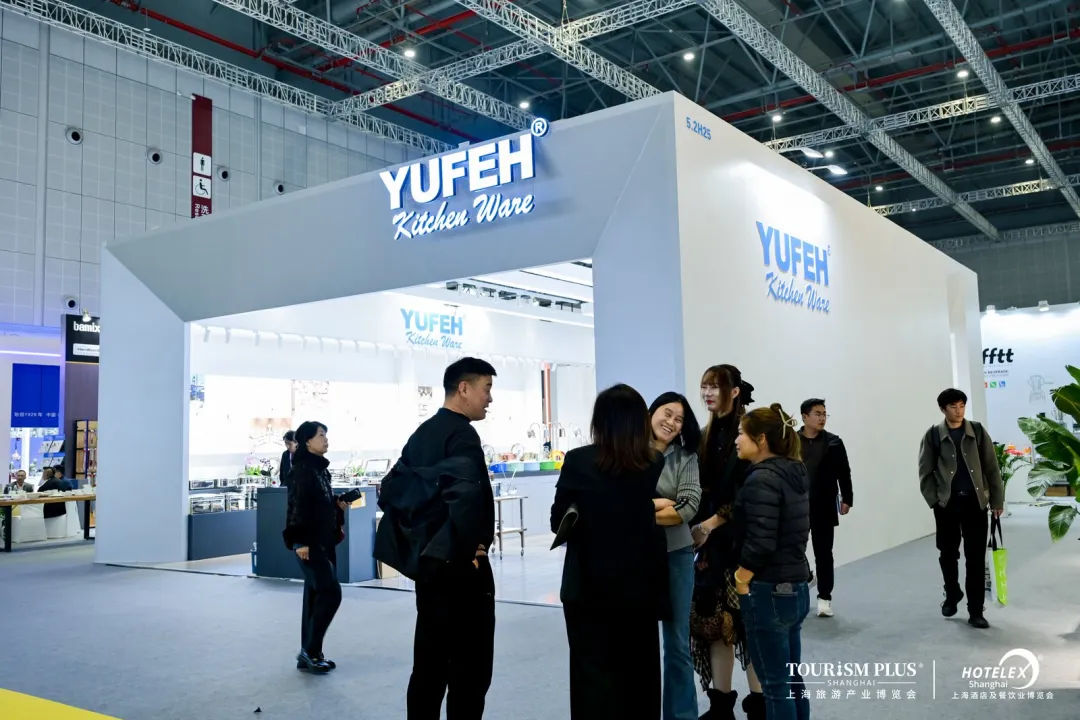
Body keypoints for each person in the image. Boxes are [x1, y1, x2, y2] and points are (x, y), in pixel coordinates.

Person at [377, 357, 496, 720]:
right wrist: (468, 551)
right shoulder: (463, 435)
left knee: (429, 664)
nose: (490, 399)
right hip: (461, 572)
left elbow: (392, 490)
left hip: (429, 568)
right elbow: (466, 495)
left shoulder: (422, 433)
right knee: (469, 669)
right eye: (487, 389)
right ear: (464, 388)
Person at [552, 383, 668, 719]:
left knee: (591, 676)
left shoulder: (578, 460)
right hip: (639, 586)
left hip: (587, 584)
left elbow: (557, 520)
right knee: (640, 673)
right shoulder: (653, 462)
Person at [689, 364, 764, 720]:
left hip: (742, 545)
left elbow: (751, 493)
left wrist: (712, 523)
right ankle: (721, 706)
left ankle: (760, 705)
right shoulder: (704, 435)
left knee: (748, 627)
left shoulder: (750, 433)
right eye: (704, 386)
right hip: (710, 549)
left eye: (715, 386)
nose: (708, 393)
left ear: (734, 391)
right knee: (716, 626)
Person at [733, 404, 812, 720]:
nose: (737, 440)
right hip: (795, 588)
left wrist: (741, 579)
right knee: (792, 681)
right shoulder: (794, 471)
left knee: (776, 687)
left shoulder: (761, 479)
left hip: (769, 590)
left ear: (761, 439)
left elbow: (761, 542)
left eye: (742, 433)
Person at [918, 388, 1004, 629]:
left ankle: (976, 610)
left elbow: (991, 468)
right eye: (953, 406)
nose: (958, 411)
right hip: (947, 504)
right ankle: (952, 592)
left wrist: (996, 501)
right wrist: (935, 501)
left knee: (975, 558)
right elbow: (925, 472)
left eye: (962, 406)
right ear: (942, 409)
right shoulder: (933, 435)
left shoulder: (977, 431)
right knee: (948, 554)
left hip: (975, 504)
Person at [649, 392, 703, 720]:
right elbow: (615, 501)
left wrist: (635, 510)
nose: (671, 422)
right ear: (651, 412)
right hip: (636, 556)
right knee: (635, 645)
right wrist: (656, 506)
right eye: (666, 413)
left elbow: (688, 508)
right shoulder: (629, 452)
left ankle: (681, 715)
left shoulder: (686, 458)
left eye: (679, 419)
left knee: (678, 645)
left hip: (676, 555)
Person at [282, 421, 346, 673]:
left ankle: (310, 653)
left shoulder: (320, 470)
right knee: (330, 593)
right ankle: (309, 650)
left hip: (323, 540)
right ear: (307, 441)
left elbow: (319, 505)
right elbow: (295, 507)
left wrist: (337, 506)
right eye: (321, 435)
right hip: (309, 543)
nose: (326, 439)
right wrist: (300, 541)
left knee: (315, 595)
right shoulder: (302, 470)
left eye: (326, 434)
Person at [798, 398, 853, 618]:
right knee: (794, 551)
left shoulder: (834, 443)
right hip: (797, 506)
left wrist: (847, 498)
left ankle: (824, 598)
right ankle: (803, 586)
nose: (822, 418)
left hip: (823, 505)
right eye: (817, 414)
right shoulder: (791, 441)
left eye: (824, 414)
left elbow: (844, 472)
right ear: (805, 417)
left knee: (823, 553)